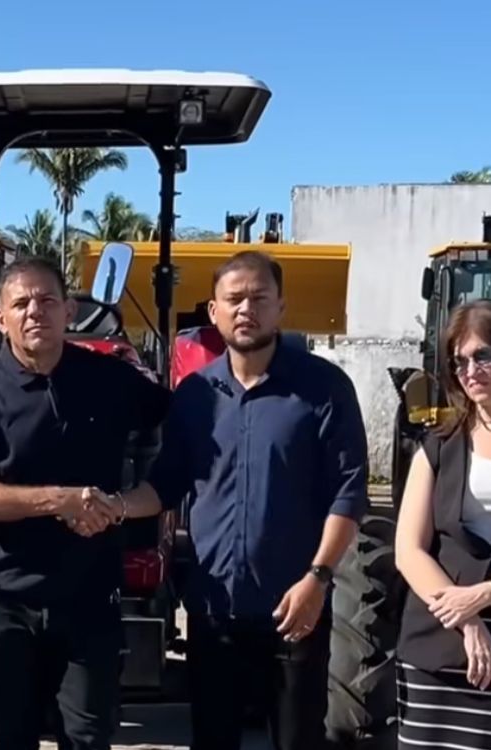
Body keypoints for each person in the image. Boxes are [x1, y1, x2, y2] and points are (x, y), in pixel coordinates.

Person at [0, 256, 170, 750]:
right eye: (20, 303)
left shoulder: (112, 380)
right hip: (6, 602)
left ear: (69, 311)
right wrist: (59, 501)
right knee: (14, 740)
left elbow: (184, 429)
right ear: (1, 318)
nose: (35, 312)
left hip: (90, 601)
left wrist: (130, 503)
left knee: (88, 739)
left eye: (47, 300)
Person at [147, 250, 369, 750]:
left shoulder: (324, 388)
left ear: (280, 306)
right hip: (214, 609)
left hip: (295, 608)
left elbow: (349, 492)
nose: (246, 309)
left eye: (258, 297)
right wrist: (102, 505)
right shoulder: (195, 396)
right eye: (234, 299)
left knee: (296, 741)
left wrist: (317, 578)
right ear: (213, 312)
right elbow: (164, 486)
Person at [394, 299, 491, 749]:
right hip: (436, 647)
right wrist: (467, 618)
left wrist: (482, 596)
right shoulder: (438, 445)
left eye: (482, 355)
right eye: (460, 362)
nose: (470, 371)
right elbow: (409, 550)